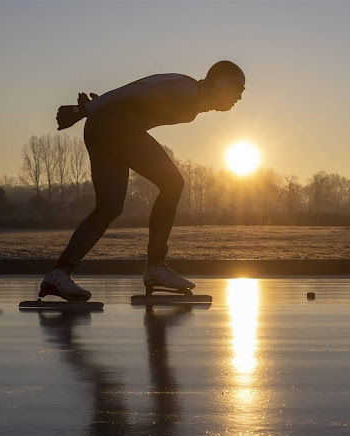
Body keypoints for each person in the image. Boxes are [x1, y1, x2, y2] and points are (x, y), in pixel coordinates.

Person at [40, 61, 246, 301]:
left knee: (109, 207)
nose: (239, 97)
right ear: (220, 85)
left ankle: (59, 273)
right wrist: (86, 109)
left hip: (104, 127)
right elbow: (135, 90)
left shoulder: (192, 104)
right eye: (238, 89)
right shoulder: (187, 89)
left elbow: (135, 93)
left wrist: (98, 107)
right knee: (172, 184)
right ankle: (156, 266)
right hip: (114, 128)